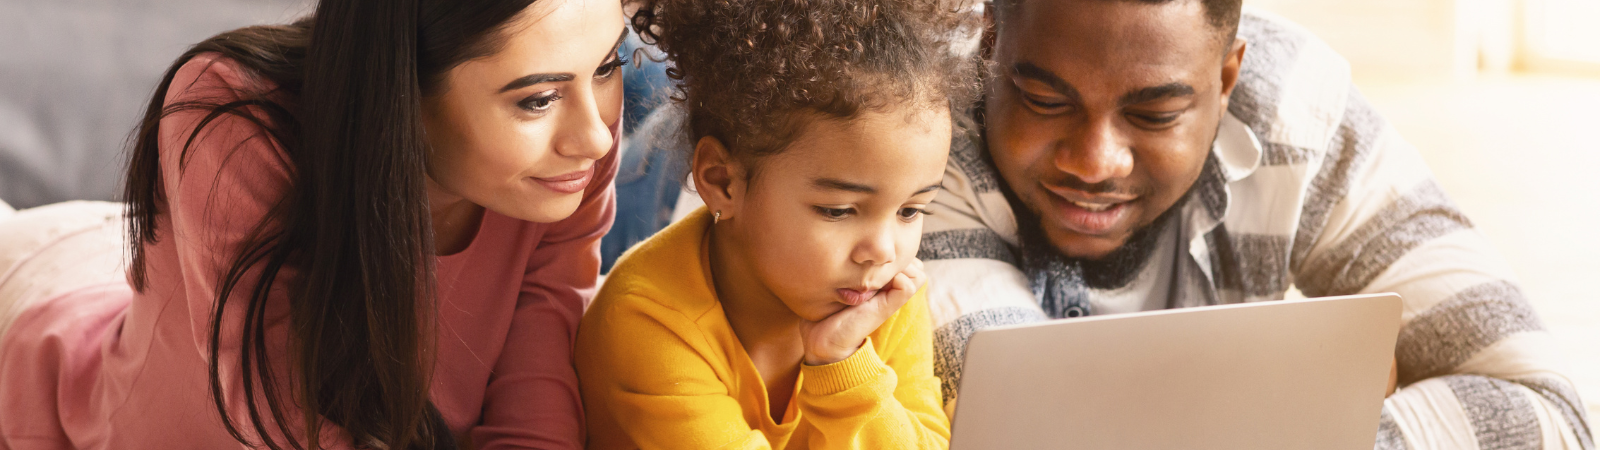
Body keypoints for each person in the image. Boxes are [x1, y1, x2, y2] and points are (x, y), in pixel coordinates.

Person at [919, 0, 1594, 448]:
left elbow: (1548, 413)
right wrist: (1315, 426)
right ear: (989, 49)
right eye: (1043, 98)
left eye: (1155, 114)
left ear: (1228, 76)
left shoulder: (1294, 108)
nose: (1096, 162)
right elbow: (1025, 435)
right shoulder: (915, 131)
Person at [0, 0, 624, 447]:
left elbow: (546, 334)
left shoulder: (570, 151)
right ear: (402, 92)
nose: (594, 137)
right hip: (57, 354)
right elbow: (278, 413)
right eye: (536, 100)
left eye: (606, 66)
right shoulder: (231, 116)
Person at [573, 0, 978, 448]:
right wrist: (840, 375)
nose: (883, 250)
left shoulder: (881, 295)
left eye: (910, 211)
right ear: (722, 181)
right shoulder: (648, 322)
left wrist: (843, 361)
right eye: (838, 211)